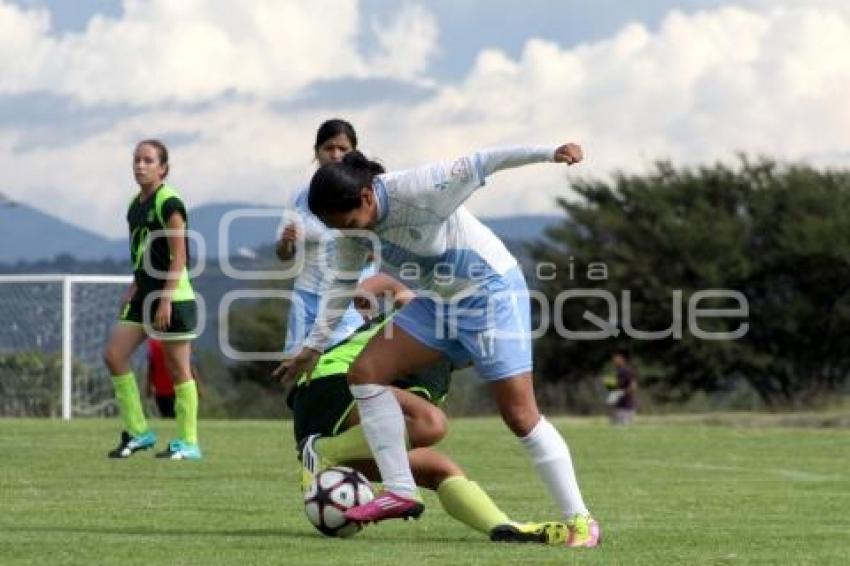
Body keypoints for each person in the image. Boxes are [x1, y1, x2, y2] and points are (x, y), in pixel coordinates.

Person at [282, 142, 601, 548]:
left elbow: (485, 160)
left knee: (520, 415)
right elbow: (342, 284)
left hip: (490, 294)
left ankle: (581, 522)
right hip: (439, 303)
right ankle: (400, 491)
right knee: (365, 373)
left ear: (365, 197)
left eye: (347, 221)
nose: (345, 231)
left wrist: (550, 153)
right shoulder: (352, 232)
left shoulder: (420, 188)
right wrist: (312, 347)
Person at [287, 279, 570, 545]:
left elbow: (392, 285)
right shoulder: (435, 332)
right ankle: (323, 451)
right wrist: (365, 290)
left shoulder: (437, 349)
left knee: (441, 471)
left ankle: (503, 528)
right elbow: (392, 285)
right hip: (328, 384)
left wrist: (368, 292)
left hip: (328, 414)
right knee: (428, 423)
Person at [103, 139, 201, 460]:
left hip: (172, 297)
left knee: (177, 370)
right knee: (114, 356)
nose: (140, 166)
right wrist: (135, 284)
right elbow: (145, 251)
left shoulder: (169, 203)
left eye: (147, 160)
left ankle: (188, 442)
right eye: (136, 160)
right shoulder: (134, 204)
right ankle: (138, 432)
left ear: (163, 168)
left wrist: (166, 300)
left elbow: (179, 256)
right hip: (144, 295)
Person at [276, 119, 373, 358]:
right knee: (297, 364)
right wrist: (287, 242)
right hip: (306, 295)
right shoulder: (301, 196)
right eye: (329, 148)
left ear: (354, 152)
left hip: (350, 295)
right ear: (317, 152)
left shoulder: (365, 192)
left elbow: (381, 245)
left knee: (344, 365)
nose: (336, 154)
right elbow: (283, 254)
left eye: (343, 149)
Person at [145, 338, 202, 419]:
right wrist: (197, 385)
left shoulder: (154, 343)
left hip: (167, 389)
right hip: (171, 389)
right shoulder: (179, 339)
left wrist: (149, 386)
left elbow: (151, 367)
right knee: (178, 417)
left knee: (171, 418)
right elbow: (190, 366)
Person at [605, 349, 638, 425]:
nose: (614, 360)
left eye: (616, 358)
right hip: (618, 406)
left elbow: (634, 386)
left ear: (623, 359)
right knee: (614, 428)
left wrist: (621, 393)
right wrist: (611, 389)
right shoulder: (619, 372)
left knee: (622, 429)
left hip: (625, 407)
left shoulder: (626, 371)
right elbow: (617, 386)